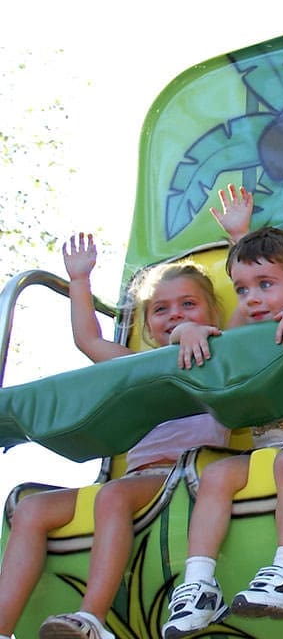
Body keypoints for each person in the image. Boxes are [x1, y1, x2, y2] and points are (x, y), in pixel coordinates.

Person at [0, 236, 230, 639]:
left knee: (112, 495)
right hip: (138, 479)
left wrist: (239, 240)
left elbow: (249, 320)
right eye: (161, 309)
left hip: (188, 475)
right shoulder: (135, 366)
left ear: (212, 312)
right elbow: (89, 341)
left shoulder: (218, 358)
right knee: (32, 510)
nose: (174, 314)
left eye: (188, 305)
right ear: (147, 322)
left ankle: (91, 618)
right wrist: (79, 279)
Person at [158, 227, 283, 638]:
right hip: (268, 452)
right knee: (216, 474)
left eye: (265, 285)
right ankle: (198, 586)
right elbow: (199, 342)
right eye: (242, 289)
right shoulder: (245, 339)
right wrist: (187, 331)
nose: (251, 299)